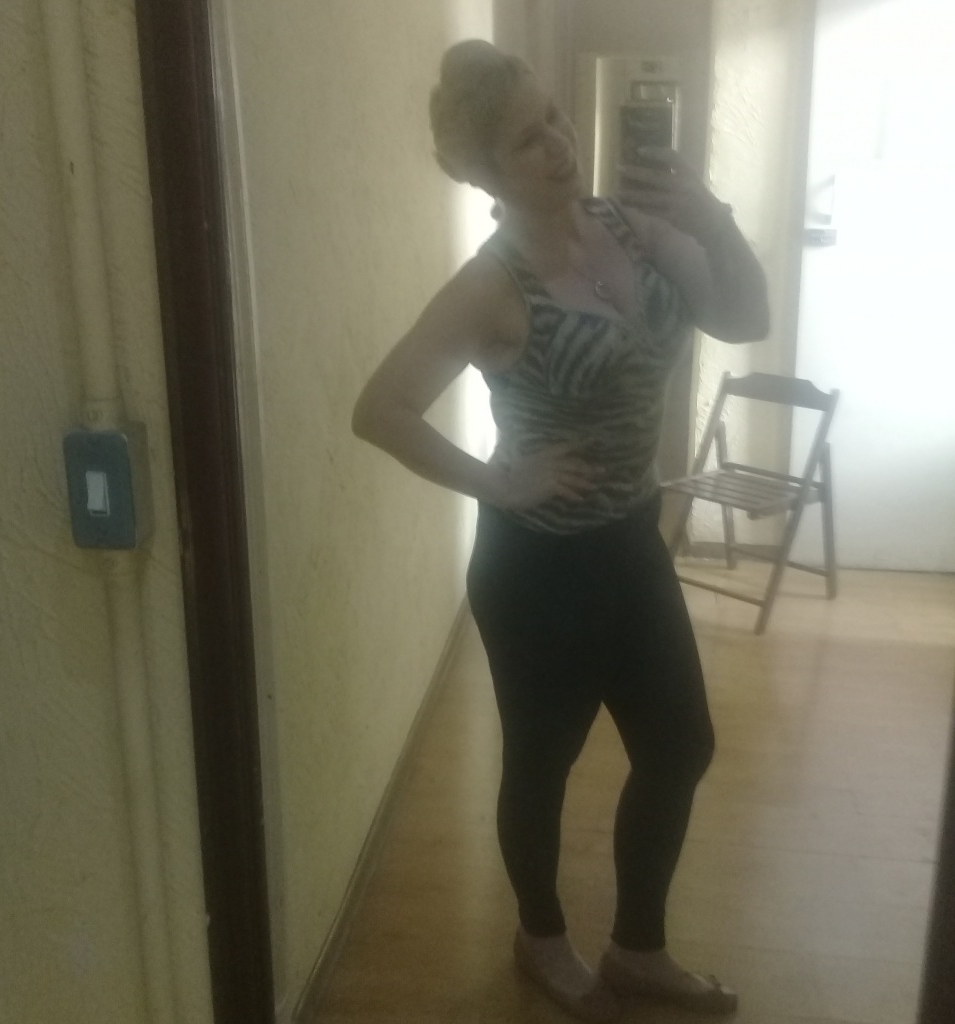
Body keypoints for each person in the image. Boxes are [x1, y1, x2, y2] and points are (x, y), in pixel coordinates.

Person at [352, 39, 769, 1023]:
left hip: (629, 542)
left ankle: (636, 950)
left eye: (554, 119)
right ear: (484, 173)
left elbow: (744, 318)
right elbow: (381, 410)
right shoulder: (489, 285)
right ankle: (540, 939)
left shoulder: (629, 226)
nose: (558, 144)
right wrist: (498, 480)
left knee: (680, 745)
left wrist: (709, 215)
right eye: (526, 140)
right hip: (537, 570)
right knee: (541, 767)